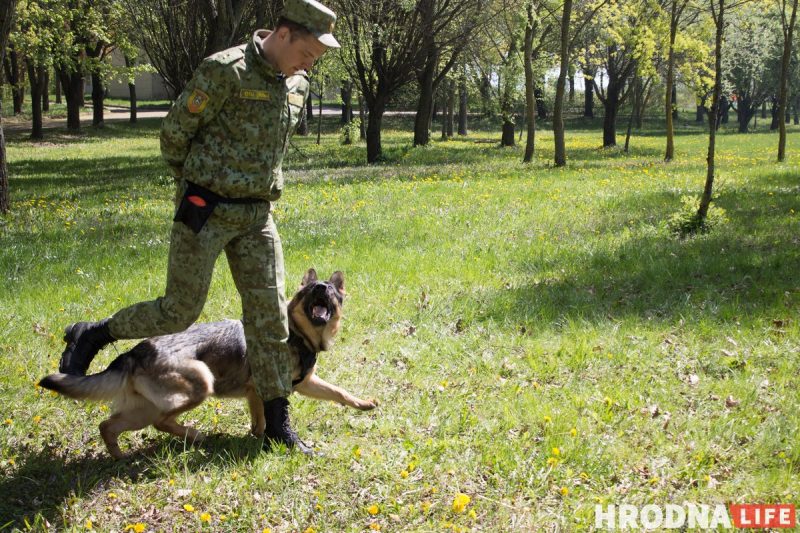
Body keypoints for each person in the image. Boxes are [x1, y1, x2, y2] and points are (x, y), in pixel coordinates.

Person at [57, 0, 340, 455]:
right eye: (308, 52)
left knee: (269, 318)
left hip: (256, 215)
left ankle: (277, 426)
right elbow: (174, 134)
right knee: (178, 310)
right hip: (205, 208)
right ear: (284, 34)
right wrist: (196, 188)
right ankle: (94, 332)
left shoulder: (297, 84)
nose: (310, 64)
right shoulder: (223, 71)